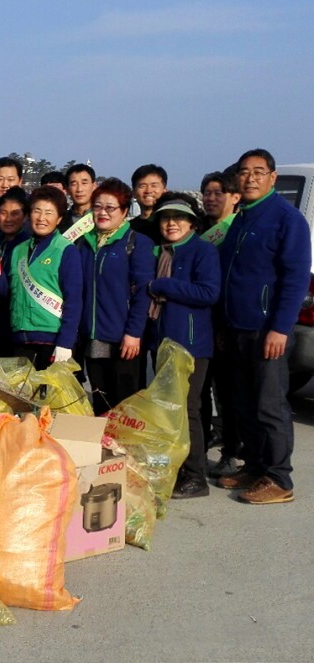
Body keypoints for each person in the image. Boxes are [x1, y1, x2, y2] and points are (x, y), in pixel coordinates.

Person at [216, 149, 311, 504]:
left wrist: (280, 328)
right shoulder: (241, 218)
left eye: (259, 171)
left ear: (272, 177)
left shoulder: (287, 219)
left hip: (267, 330)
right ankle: (254, 466)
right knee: (244, 403)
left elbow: (295, 279)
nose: (251, 177)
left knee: (269, 405)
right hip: (238, 328)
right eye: (244, 172)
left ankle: (279, 478)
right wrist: (225, 323)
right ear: (237, 179)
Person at [144, 195, 220, 498]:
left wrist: (163, 285)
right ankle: (173, 469)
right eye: (165, 218)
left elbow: (208, 292)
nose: (171, 223)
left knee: (188, 409)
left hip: (191, 345)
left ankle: (196, 476)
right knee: (166, 411)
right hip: (163, 342)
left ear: (192, 222)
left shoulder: (203, 251)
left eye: (179, 217)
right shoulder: (159, 252)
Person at [79, 178, 155, 415]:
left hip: (123, 337)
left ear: (124, 211)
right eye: (98, 207)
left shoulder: (136, 243)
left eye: (110, 208)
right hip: (93, 335)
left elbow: (144, 291)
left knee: (126, 400)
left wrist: (133, 333)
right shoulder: (84, 243)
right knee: (101, 397)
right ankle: (105, 448)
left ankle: (127, 451)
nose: (102, 213)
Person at [7, 186, 82, 369]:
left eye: (49, 213)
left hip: (51, 341)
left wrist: (65, 342)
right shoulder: (19, 250)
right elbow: (10, 292)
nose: (41, 218)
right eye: (37, 211)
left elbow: (74, 300)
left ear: (59, 218)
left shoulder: (66, 250)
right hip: (20, 339)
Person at [198, 170, 243, 476]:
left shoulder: (235, 229)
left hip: (227, 323)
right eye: (207, 193)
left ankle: (232, 451)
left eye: (218, 193)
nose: (211, 198)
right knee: (202, 391)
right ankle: (200, 448)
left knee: (229, 392)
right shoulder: (203, 229)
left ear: (233, 197)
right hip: (201, 324)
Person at [0, 187, 30, 356]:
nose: (8, 219)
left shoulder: (27, 247)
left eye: (15, 213)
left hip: (16, 326)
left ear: (25, 217)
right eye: (3, 213)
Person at [128, 164, 168, 244]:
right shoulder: (128, 228)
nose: (148, 191)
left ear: (164, 190)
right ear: (134, 192)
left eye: (154, 186)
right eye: (142, 186)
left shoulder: (170, 225)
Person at [60, 163, 97, 241]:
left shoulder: (102, 217)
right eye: (74, 184)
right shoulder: (60, 221)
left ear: (94, 186)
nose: (79, 189)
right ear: (67, 189)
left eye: (84, 183)